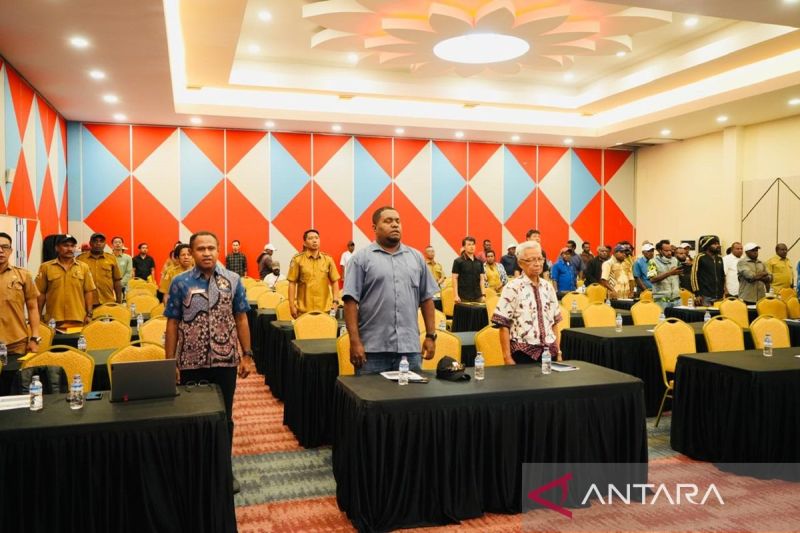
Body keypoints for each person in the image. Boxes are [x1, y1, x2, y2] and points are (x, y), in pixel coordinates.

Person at [163, 231, 253, 494]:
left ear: (218, 249)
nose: (206, 253)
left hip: (225, 360)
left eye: (211, 248)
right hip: (190, 362)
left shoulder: (233, 280)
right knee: (192, 418)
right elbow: (172, 323)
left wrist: (247, 355)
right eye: (200, 248)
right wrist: (170, 363)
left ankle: (223, 469)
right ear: (191, 253)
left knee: (224, 417)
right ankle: (194, 469)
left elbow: (241, 318)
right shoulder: (180, 282)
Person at [343, 206, 438, 374]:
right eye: (388, 221)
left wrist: (431, 336)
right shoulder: (361, 259)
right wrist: (355, 342)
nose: (395, 225)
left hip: (410, 350)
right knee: (371, 392)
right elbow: (350, 302)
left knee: (411, 392)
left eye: (397, 221)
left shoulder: (416, 258)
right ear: (374, 228)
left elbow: (426, 299)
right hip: (372, 351)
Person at [492, 240, 562, 365]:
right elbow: (503, 325)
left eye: (540, 259)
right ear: (520, 263)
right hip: (522, 353)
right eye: (531, 260)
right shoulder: (512, 287)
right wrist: (507, 358)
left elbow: (554, 323)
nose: (537, 264)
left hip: (549, 352)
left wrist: (559, 352)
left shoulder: (548, 287)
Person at [35, 234, 96, 326]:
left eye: (72, 246)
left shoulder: (84, 267)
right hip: (54, 320)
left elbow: (88, 292)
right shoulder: (45, 267)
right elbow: (40, 293)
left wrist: (89, 314)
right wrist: (37, 315)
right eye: (66, 245)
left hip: (78, 318)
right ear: (57, 248)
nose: (70, 249)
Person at [0, 232, 42, 356]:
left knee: (17, 370)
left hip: (16, 343)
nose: (1, 251)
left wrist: (35, 337)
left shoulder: (23, 275)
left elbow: (33, 308)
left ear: (11, 251)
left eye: (5, 247)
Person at [287, 229, 341, 319]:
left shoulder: (328, 260)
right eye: (310, 238)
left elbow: (335, 281)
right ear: (304, 243)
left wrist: (335, 302)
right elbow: (292, 283)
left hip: (325, 310)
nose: (314, 240)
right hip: (303, 311)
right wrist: (291, 305)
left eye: (316, 238)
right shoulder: (297, 260)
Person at [78, 233, 122, 305]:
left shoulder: (111, 258)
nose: (98, 243)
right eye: (95, 241)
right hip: (86, 302)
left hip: (107, 301)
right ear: (90, 243)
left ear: (105, 244)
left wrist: (119, 301)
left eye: (101, 241)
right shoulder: (80, 259)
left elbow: (117, 281)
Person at [647, 240, 682, 309]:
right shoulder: (652, 262)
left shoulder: (675, 260)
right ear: (659, 251)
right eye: (666, 251)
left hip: (676, 299)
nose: (669, 253)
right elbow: (652, 279)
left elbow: (681, 273)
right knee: (661, 316)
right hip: (661, 300)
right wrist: (670, 273)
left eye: (670, 250)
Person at [691, 236, 725, 305]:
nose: (718, 245)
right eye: (715, 244)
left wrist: (723, 291)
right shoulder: (699, 257)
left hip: (719, 296)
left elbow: (722, 276)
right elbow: (694, 276)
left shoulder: (719, 258)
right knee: (706, 312)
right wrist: (697, 294)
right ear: (707, 245)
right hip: (705, 296)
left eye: (718, 244)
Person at [451, 236, 485, 303]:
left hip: (478, 296)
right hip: (463, 297)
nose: (472, 247)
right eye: (469, 245)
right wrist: (456, 295)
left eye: (473, 244)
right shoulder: (458, 261)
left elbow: (481, 279)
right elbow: (454, 279)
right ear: (464, 247)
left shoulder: (479, 262)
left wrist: (483, 294)